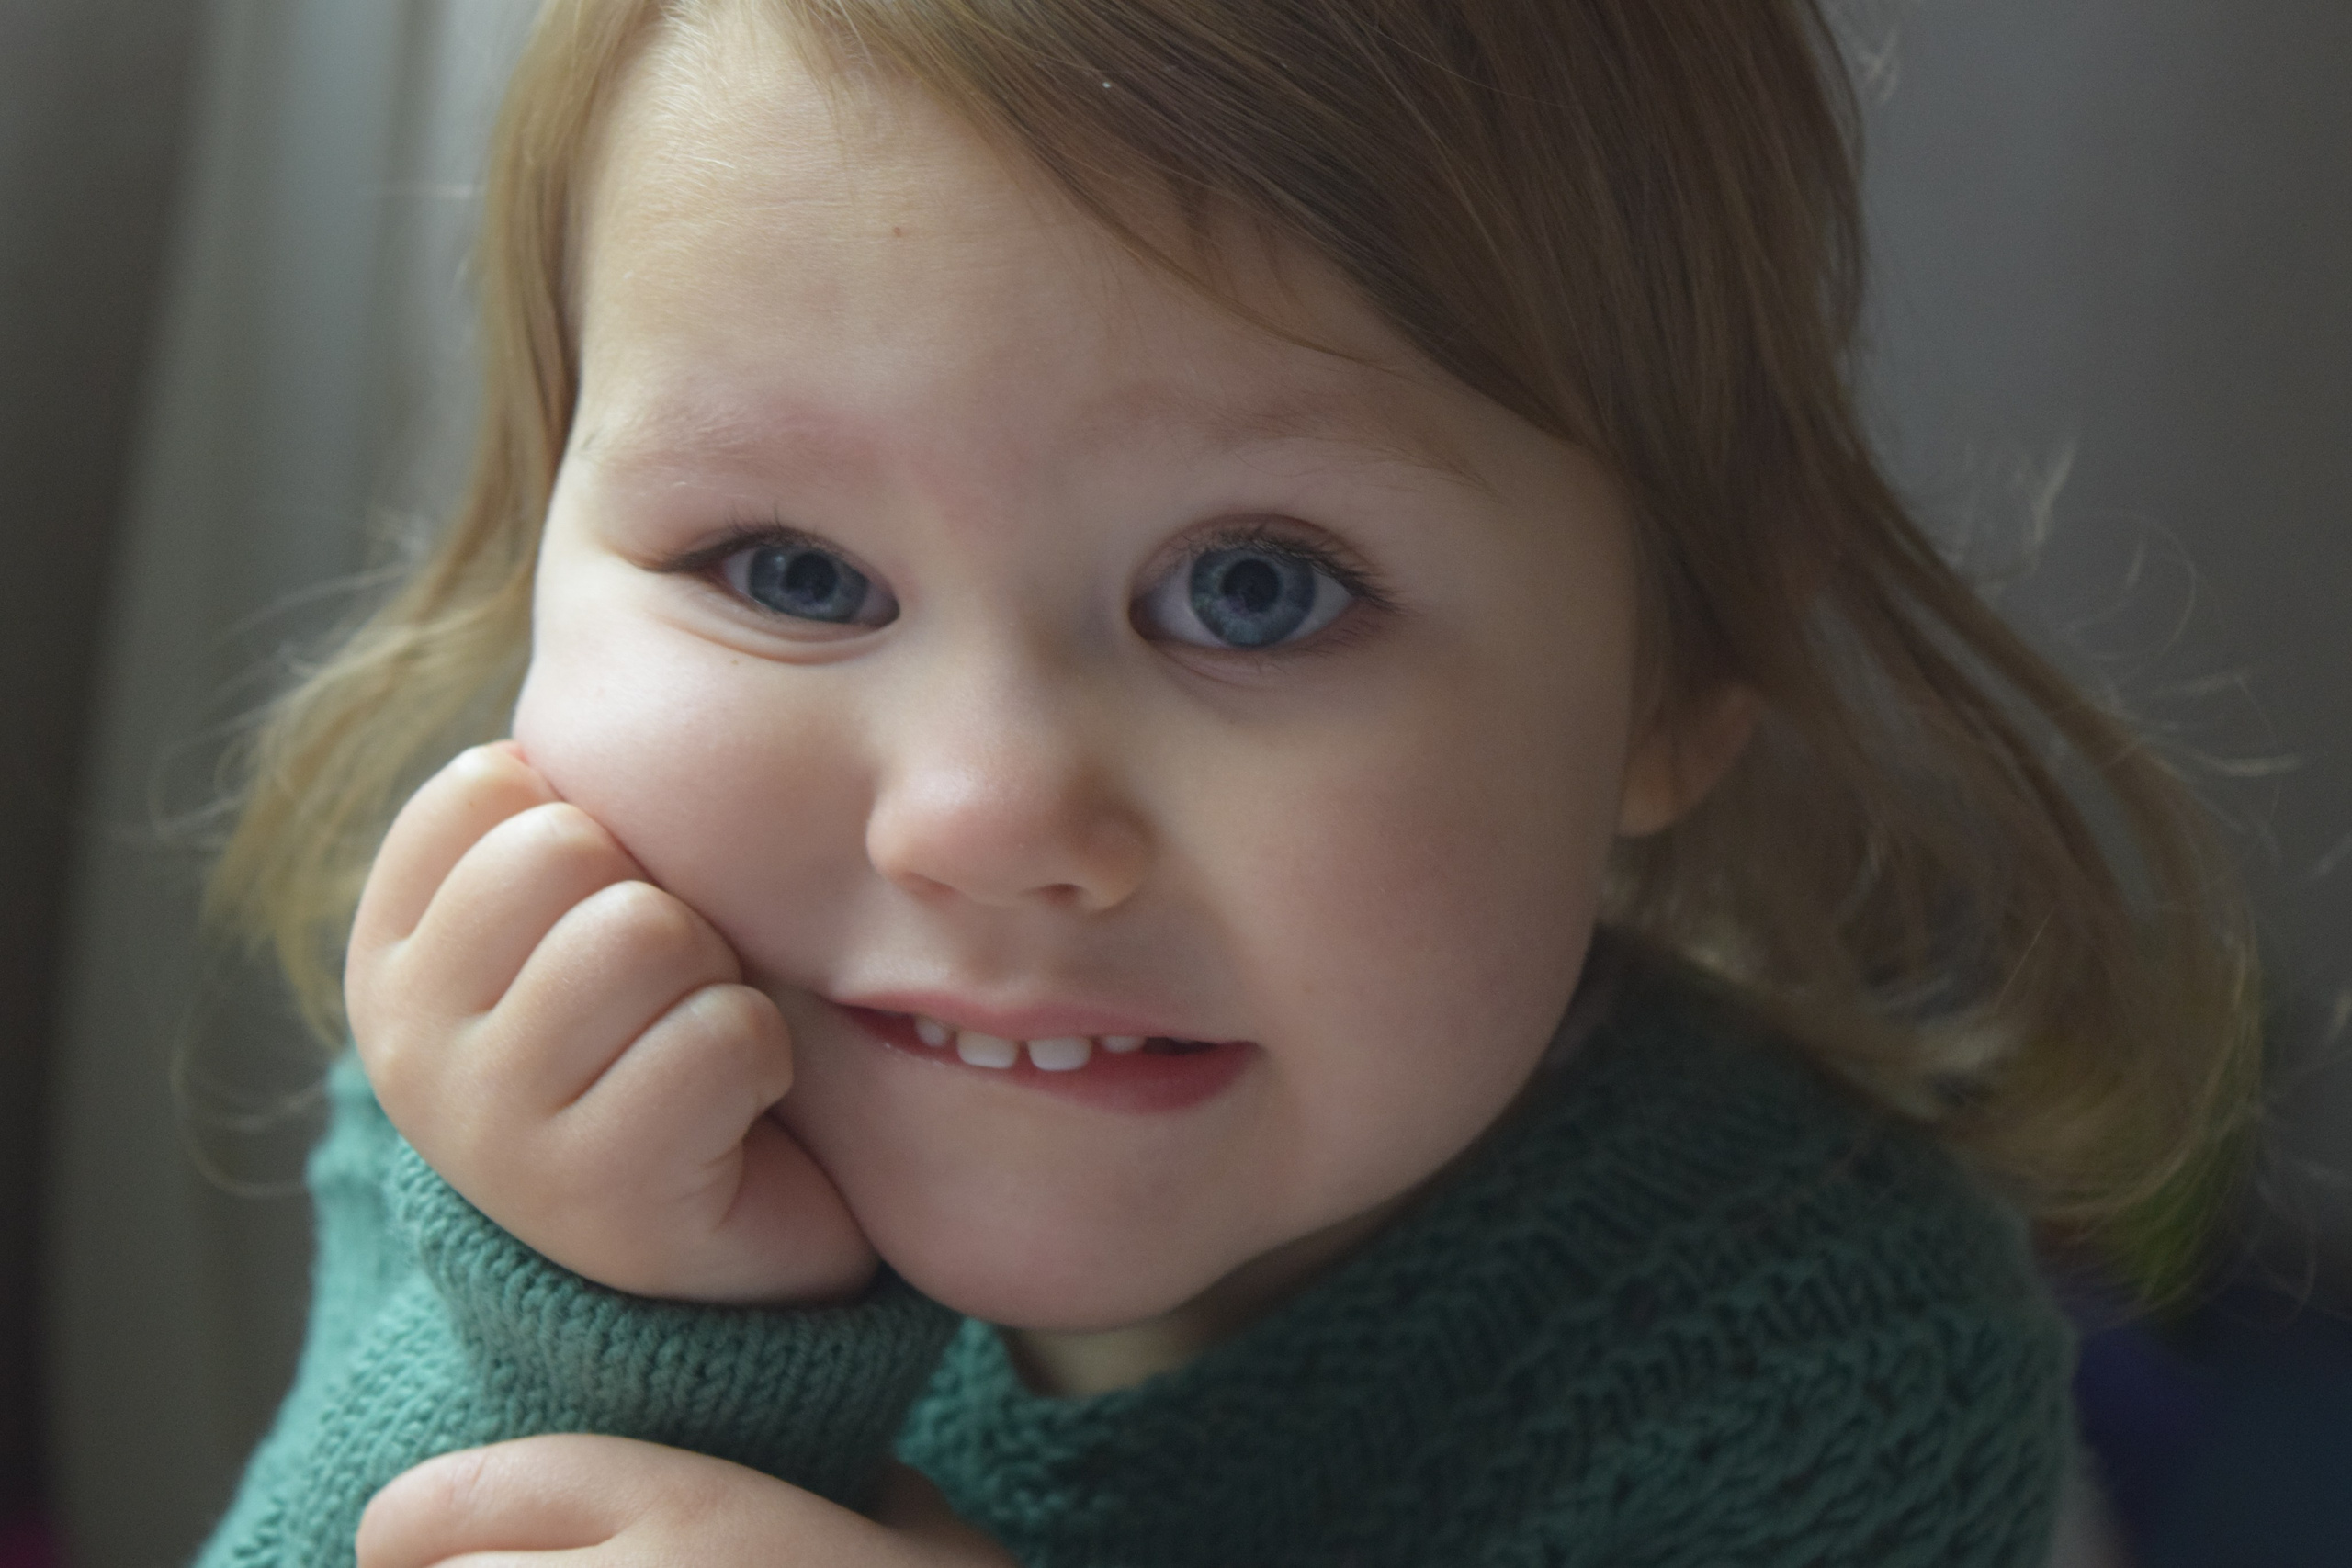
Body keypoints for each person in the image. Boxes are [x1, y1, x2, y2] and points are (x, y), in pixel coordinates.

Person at [194, 1, 2258, 1563]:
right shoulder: (549, 1061)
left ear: (1676, 667)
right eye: (792, 571)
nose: (981, 812)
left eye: (1251, 590)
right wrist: (611, 1321)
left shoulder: (1808, 1360)